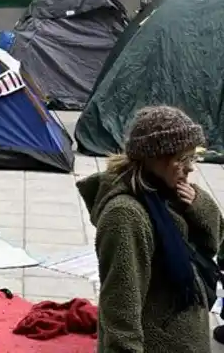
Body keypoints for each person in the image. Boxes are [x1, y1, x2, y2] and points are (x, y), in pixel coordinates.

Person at [76, 106, 224, 352]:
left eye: (193, 157)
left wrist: (199, 205)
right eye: (183, 159)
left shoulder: (170, 192)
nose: (190, 168)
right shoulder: (125, 216)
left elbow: (215, 241)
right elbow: (120, 312)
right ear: (156, 157)